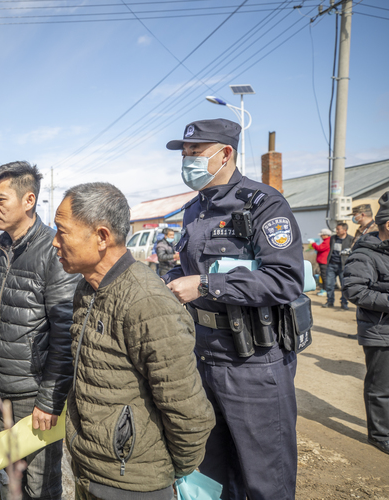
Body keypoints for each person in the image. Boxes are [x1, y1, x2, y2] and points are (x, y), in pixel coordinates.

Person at [163, 119, 304, 500]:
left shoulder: (264, 204)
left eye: (195, 152)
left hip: (253, 363)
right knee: (207, 476)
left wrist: (207, 285)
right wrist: (166, 281)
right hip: (202, 357)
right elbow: (186, 267)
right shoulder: (193, 210)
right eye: (185, 153)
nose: (187, 159)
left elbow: (285, 279)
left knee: (263, 480)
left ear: (225, 154)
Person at [53, 182, 214, 500]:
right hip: (91, 469)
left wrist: (171, 470)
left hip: (133, 482)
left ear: (101, 237)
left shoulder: (146, 300)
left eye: (62, 232)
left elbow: (187, 408)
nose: (55, 243)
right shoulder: (87, 287)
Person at [0, 161, 78, 500]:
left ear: (29, 200)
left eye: (1, 199)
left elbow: (64, 335)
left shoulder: (53, 250)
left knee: (40, 482)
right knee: (8, 473)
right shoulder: (0, 248)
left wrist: (48, 402)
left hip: (36, 393)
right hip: (3, 385)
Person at [343, 191, 389, 455]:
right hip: (380, 331)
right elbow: (355, 291)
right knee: (381, 387)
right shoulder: (365, 254)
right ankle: (380, 435)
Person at [324, 222, 354, 310]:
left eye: (338, 229)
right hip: (331, 265)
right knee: (329, 285)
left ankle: (344, 303)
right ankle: (330, 301)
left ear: (345, 230)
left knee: (344, 285)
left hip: (343, 266)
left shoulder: (351, 239)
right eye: (336, 229)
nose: (336, 231)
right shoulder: (333, 238)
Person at [311, 228, 332, 296]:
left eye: (322, 235)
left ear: (326, 235)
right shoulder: (327, 241)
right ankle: (324, 289)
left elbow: (320, 248)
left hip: (324, 262)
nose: (321, 236)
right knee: (323, 276)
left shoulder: (327, 241)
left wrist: (313, 244)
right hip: (323, 261)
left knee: (324, 276)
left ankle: (325, 290)